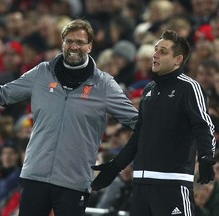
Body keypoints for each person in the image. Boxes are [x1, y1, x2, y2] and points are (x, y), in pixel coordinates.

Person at [0, 19, 138, 216]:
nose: (74, 46)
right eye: (69, 41)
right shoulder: (42, 73)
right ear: (62, 43)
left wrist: (119, 163)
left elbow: (136, 121)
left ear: (90, 46)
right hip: (35, 174)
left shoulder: (104, 85)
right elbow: (3, 93)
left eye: (80, 42)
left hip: (74, 182)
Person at [91, 30, 217, 216]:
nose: (155, 54)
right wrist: (115, 166)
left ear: (178, 59)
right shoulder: (149, 90)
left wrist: (206, 157)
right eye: (156, 50)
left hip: (172, 185)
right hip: (141, 186)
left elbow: (204, 125)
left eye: (163, 51)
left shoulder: (189, 87)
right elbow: (139, 135)